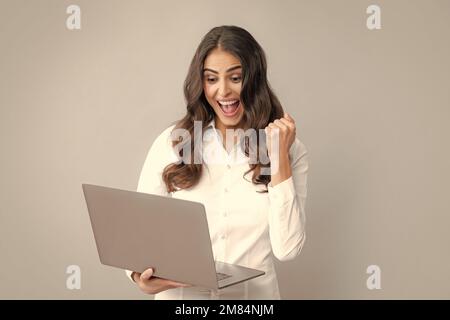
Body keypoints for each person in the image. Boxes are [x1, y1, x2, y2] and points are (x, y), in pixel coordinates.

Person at [125, 25, 309, 299]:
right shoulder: (171, 143)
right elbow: (138, 234)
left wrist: (279, 157)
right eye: (211, 79)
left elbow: (288, 249)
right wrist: (138, 276)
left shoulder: (291, 151)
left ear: (254, 80)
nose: (223, 91)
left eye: (235, 77)